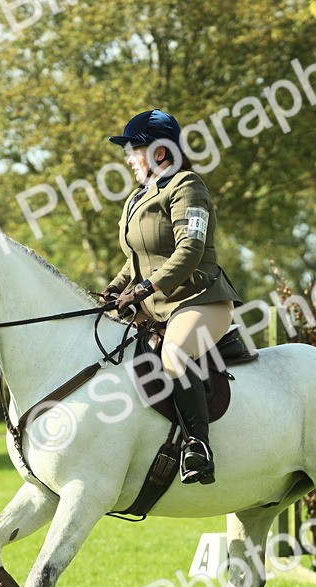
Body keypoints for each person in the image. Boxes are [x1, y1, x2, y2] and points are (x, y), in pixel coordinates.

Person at [102, 109, 242, 485]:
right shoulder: (136, 198)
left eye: (134, 149)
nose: (128, 157)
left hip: (200, 299)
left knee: (175, 354)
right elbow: (136, 262)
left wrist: (144, 290)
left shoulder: (187, 186)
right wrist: (115, 288)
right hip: (157, 305)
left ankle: (199, 446)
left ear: (160, 152)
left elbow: (190, 249)